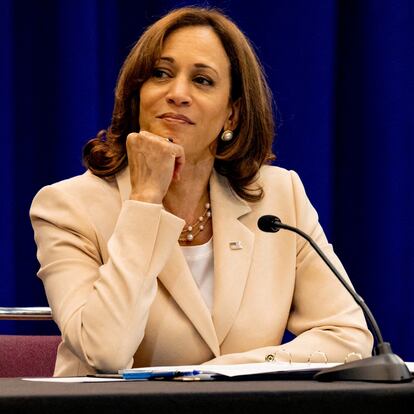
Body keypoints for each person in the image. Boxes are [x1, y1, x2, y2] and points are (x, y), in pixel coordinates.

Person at [30, 6, 372, 376]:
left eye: (202, 80)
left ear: (232, 114)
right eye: (161, 74)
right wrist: (144, 201)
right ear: (137, 94)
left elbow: (349, 337)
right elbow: (105, 352)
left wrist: (223, 372)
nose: (178, 93)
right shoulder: (67, 207)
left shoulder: (278, 195)